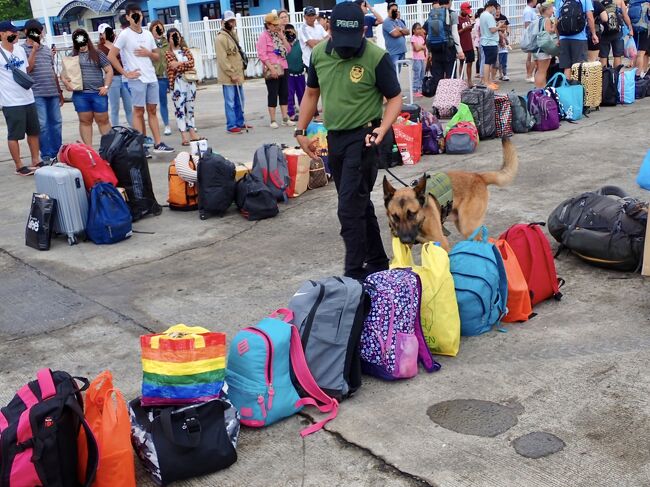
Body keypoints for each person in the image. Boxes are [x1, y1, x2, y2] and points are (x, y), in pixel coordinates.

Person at [295, 2, 402, 281]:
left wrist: (383, 129)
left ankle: (354, 277)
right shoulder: (319, 54)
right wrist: (300, 131)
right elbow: (311, 94)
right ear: (329, 29)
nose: (346, 47)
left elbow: (395, 98)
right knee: (358, 202)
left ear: (363, 31)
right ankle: (378, 263)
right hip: (336, 139)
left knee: (348, 210)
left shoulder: (376, 57)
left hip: (366, 136)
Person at [108, 3, 174, 153]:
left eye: (139, 14)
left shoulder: (148, 34)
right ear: (128, 17)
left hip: (151, 77)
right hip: (136, 78)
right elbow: (111, 56)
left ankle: (158, 143)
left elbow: (158, 56)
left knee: (152, 110)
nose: (137, 17)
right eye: (133, 15)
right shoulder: (124, 34)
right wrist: (126, 73)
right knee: (138, 111)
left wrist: (148, 53)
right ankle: (140, 145)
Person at [0, 21, 41, 175]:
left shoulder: (20, 49)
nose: (15, 35)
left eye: (16, 32)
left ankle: (36, 159)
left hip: (28, 97)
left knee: (34, 131)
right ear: (2, 34)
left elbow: (28, 69)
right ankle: (19, 165)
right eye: (11, 32)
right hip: (11, 101)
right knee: (14, 134)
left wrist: (34, 52)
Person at [61, 29, 113, 147]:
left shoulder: (98, 53)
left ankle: (109, 149)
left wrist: (106, 86)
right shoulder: (71, 56)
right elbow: (63, 75)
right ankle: (89, 150)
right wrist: (67, 83)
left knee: (103, 120)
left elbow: (109, 70)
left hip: (98, 93)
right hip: (80, 94)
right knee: (85, 121)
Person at [23, 19, 63, 163]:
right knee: (43, 125)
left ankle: (58, 153)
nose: (37, 35)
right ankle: (46, 155)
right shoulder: (22, 50)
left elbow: (52, 71)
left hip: (52, 92)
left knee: (57, 123)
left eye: (39, 32)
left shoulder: (46, 49)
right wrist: (33, 50)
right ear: (26, 32)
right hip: (36, 93)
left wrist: (60, 92)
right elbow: (27, 69)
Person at [257, 12, 294, 128]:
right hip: (271, 67)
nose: (276, 27)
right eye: (274, 25)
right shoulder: (263, 36)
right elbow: (262, 54)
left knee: (284, 93)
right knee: (273, 94)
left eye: (277, 24)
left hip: (283, 66)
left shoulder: (280, 34)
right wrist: (271, 68)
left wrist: (282, 36)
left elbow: (288, 50)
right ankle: (273, 120)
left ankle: (285, 118)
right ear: (268, 25)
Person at [165, 28, 201, 147]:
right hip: (177, 83)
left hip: (190, 82)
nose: (175, 39)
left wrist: (180, 64)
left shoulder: (185, 50)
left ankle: (192, 130)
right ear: (168, 39)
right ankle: (183, 134)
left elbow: (192, 63)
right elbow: (173, 66)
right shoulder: (168, 53)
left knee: (190, 107)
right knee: (179, 109)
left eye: (177, 36)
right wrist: (183, 65)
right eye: (172, 37)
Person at [215, 10, 248, 134]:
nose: (231, 23)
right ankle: (231, 124)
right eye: (229, 21)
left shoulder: (233, 35)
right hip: (229, 76)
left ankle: (240, 121)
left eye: (232, 21)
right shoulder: (220, 38)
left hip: (238, 74)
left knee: (240, 100)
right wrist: (232, 73)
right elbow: (222, 59)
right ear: (223, 22)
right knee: (230, 102)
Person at [423, 0, 464, 92]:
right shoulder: (451, 14)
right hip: (448, 49)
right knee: (450, 76)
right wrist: (460, 51)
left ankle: (439, 101)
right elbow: (454, 34)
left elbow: (426, 32)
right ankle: (450, 100)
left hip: (435, 49)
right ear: (449, 2)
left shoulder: (432, 14)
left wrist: (429, 51)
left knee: (438, 78)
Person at [557, 0, 599, 79]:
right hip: (579, 37)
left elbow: (557, 21)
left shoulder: (561, 1)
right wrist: (593, 34)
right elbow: (589, 17)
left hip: (564, 38)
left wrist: (559, 37)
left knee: (567, 67)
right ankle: (578, 89)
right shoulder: (585, 0)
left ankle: (568, 88)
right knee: (580, 67)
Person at [150, 20, 172, 136]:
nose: (159, 31)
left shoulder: (168, 42)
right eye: (156, 29)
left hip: (171, 75)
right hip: (159, 77)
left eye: (160, 28)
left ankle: (187, 122)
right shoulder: (150, 44)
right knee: (163, 101)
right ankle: (167, 124)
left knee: (179, 99)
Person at [480, 0, 505, 89]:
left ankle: (488, 81)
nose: (495, 10)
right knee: (488, 63)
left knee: (489, 62)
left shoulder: (483, 15)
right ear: (491, 6)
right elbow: (492, 30)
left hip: (486, 41)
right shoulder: (489, 16)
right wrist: (499, 26)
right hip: (490, 42)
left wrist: (496, 25)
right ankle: (487, 82)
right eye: (495, 8)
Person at [599, 0, 633, 67]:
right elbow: (625, 15)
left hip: (603, 32)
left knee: (603, 56)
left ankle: (604, 75)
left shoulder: (599, 1)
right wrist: (630, 28)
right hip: (617, 32)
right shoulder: (619, 1)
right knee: (617, 56)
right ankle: (616, 75)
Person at [534, 2, 558, 87]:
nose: (552, 11)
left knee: (539, 70)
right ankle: (540, 90)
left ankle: (540, 89)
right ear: (547, 10)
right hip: (544, 49)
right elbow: (548, 33)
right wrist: (555, 25)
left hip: (537, 49)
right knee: (542, 71)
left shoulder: (538, 19)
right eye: (551, 9)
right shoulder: (547, 19)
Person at [285, 23, 305, 121]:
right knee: (290, 95)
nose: (290, 34)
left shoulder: (299, 43)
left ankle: (304, 113)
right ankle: (291, 113)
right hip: (289, 75)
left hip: (300, 74)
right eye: (287, 32)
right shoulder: (284, 45)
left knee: (302, 94)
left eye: (291, 31)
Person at [382, 3, 409, 71]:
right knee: (393, 72)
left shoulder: (398, 21)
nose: (395, 12)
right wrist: (403, 32)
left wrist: (399, 29)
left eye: (396, 10)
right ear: (388, 11)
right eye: (393, 10)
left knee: (398, 72)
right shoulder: (387, 22)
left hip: (401, 51)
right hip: (393, 53)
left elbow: (408, 32)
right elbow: (395, 34)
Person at [458, 2, 476, 85]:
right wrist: (465, 28)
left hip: (469, 44)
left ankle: (469, 80)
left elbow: (469, 30)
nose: (467, 13)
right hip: (462, 45)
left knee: (470, 63)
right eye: (466, 11)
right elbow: (456, 32)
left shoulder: (468, 18)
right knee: (462, 63)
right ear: (461, 10)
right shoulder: (458, 19)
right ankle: (461, 80)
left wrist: (471, 26)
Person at [523, 0, 539, 81]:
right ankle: (529, 75)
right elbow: (527, 24)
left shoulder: (530, 10)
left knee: (530, 57)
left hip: (532, 35)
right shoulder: (528, 11)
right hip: (531, 36)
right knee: (533, 57)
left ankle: (528, 75)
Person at [494, 5, 510, 81]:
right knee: (498, 59)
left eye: (499, 9)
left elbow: (507, 26)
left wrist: (507, 33)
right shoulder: (492, 18)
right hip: (496, 40)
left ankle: (504, 74)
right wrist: (500, 29)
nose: (498, 11)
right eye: (496, 9)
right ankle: (500, 74)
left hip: (504, 38)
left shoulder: (503, 17)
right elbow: (495, 29)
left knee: (504, 57)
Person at [411, 23, 427, 97]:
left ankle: (420, 89)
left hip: (422, 58)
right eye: (417, 29)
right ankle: (415, 90)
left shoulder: (421, 38)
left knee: (422, 74)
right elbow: (416, 48)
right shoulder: (413, 38)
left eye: (420, 28)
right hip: (416, 59)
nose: (419, 30)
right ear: (414, 30)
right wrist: (422, 47)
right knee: (417, 75)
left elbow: (424, 48)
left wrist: (422, 47)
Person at [473, 7, 483, 78]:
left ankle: (479, 71)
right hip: (479, 40)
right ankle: (478, 72)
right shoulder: (479, 21)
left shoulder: (477, 20)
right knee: (480, 57)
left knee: (480, 57)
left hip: (477, 40)